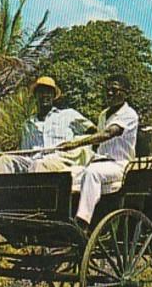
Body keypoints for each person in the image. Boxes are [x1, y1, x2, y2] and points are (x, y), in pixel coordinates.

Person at [56, 74, 139, 226]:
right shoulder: (103, 115)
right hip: (98, 162)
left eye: (114, 90)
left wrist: (75, 144)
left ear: (126, 92)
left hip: (119, 165)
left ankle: (82, 221)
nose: (109, 93)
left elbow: (108, 134)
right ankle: (61, 219)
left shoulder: (129, 114)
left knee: (92, 173)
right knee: (66, 176)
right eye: (107, 90)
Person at [0, 76, 96, 174]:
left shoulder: (68, 114)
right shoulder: (28, 124)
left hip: (60, 160)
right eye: (41, 92)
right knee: (5, 160)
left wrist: (78, 144)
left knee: (39, 164)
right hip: (34, 161)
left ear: (53, 96)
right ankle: (2, 190)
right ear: (35, 96)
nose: (45, 95)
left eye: (48, 92)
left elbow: (95, 132)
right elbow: (25, 152)